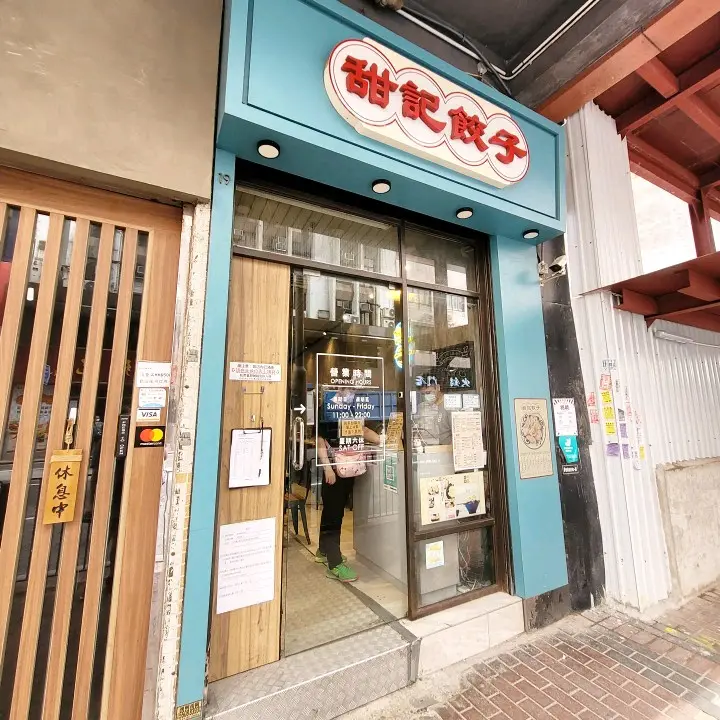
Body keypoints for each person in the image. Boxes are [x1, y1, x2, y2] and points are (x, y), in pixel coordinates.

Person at [315, 387, 382, 582]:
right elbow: (320, 439)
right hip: (334, 468)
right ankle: (334, 564)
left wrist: (383, 440)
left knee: (334, 509)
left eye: (354, 388)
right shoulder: (328, 407)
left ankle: (323, 551)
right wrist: (327, 468)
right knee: (333, 513)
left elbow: (363, 430)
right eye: (349, 387)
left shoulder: (353, 407)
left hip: (349, 466)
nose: (353, 391)